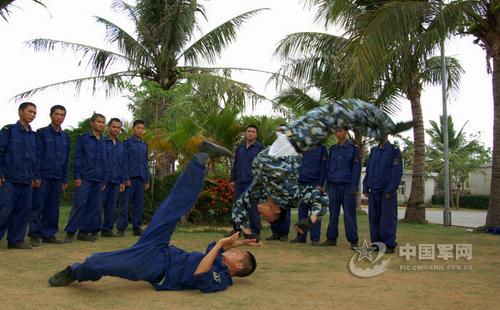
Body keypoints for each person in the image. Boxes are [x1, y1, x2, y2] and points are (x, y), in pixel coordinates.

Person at [48, 142, 258, 294]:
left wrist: (221, 243)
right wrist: (234, 242)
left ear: (238, 267)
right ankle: (200, 158)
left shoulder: (221, 279)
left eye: (237, 253)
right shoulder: (219, 257)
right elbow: (214, 248)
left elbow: (200, 274)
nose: (233, 250)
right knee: (174, 206)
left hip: (155, 266)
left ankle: (75, 271)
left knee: (95, 262)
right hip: (161, 247)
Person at [231, 99, 412, 238]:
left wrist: (246, 231)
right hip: (298, 142)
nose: (260, 213)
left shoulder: (260, 191)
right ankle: (385, 128)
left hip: (289, 138)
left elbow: (238, 207)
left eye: (262, 216)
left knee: (331, 112)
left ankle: (384, 127)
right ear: (275, 213)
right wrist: (310, 220)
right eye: (266, 217)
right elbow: (321, 201)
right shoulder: (290, 196)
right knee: (334, 113)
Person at [29, 105, 70, 246]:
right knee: (37, 206)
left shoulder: (66, 137)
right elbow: (36, 156)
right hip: (43, 176)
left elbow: (65, 160)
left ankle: (49, 234)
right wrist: (36, 176)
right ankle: (34, 234)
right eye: (57, 114)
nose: (60, 117)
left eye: (62, 115)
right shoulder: (41, 133)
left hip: (57, 177)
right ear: (51, 115)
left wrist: (65, 179)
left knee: (53, 208)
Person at [64, 113, 108, 242]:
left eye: (103, 122)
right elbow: (77, 158)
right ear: (92, 123)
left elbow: (105, 162)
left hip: (98, 179)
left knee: (94, 206)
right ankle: (71, 232)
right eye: (99, 122)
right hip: (85, 178)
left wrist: (104, 179)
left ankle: (84, 232)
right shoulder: (84, 138)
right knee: (79, 204)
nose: (101, 124)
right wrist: (77, 176)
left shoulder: (104, 141)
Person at [0, 102, 38, 249]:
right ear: (20, 112)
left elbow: (36, 158)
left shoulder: (33, 136)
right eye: (30, 111)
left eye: (35, 112)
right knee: (4, 210)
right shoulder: (8, 131)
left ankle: (16, 240)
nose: (33, 114)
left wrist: (35, 176)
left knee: (23, 211)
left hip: (27, 179)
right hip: (9, 178)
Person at [363, 134, 403, 254]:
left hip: (386, 192)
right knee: (374, 219)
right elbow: (369, 169)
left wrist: (390, 189)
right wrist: (366, 186)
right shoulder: (374, 151)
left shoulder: (393, 150)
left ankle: (389, 244)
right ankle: (376, 243)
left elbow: (396, 172)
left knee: (387, 219)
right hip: (374, 190)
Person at [322, 127, 361, 249]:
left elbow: (356, 169)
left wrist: (354, 187)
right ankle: (331, 238)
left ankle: (353, 241)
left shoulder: (353, 149)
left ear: (346, 132)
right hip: (333, 185)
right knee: (333, 213)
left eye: (340, 131)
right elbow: (328, 168)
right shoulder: (332, 149)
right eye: (336, 131)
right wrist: (327, 186)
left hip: (347, 186)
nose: (338, 133)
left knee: (349, 214)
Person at [229, 125, 264, 239]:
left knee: (252, 208)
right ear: (245, 133)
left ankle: (255, 232)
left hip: (253, 182)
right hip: (240, 181)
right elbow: (236, 164)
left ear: (256, 135)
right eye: (249, 131)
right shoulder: (240, 148)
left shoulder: (260, 148)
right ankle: (236, 231)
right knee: (237, 206)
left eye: (253, 132)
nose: (250, 133)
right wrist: (232, 179)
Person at [289, 144, 328, 245]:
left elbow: (324, 168)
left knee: (315, 212)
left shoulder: (322, 148)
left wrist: (320, 184)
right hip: (301, 183)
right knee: (302, 212)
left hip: (315, 184)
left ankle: (315, 238)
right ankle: (301, 237)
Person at [116, 119, 150, 237]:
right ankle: (121, 228)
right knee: (125, 204)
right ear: (133, 129)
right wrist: (125, 178)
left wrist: (147, 180)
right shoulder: (127, 143)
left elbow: (145, 163)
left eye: (142, 128)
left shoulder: (144, 145)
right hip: (129, 178)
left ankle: (137, 227)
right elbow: (123, 162)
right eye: (138, 128)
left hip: (141, 178)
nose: (140, 130)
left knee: (138, 205)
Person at [101, 118, 127, 237]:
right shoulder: (102, 141)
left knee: (111, 207)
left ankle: (107, 229)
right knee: (98, 205)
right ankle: (93, 228)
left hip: (116, 180)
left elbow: (122, 164)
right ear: (109, 127)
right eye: (114, 127)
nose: (116, 129)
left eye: (118, 128)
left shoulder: (121, 146)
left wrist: (122, 181)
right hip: (103, 180)